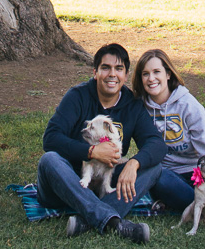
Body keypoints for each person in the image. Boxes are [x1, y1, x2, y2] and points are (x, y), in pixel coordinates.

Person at [36, 42, 165, 243]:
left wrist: (133, 163)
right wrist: (92, 151)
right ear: (95, 72)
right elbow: (51, 138)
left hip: (105, 181)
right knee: (49, 160)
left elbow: (156, 143)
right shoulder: (77, 97)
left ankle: (87, 219)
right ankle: (113, 221)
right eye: (106, 68)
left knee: (153, 167)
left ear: (126, 74)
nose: (112, 74)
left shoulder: (132, 105)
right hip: (69, 182)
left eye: (118, 69)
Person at [132, 48, 205, 216]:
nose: (151, 78)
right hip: (169, 174)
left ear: (168, 74)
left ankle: (190, 206)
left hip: (199, 171)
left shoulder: (188, 105)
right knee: (157, 179)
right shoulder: (139, 108)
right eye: (145, 74)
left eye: (156, 72)